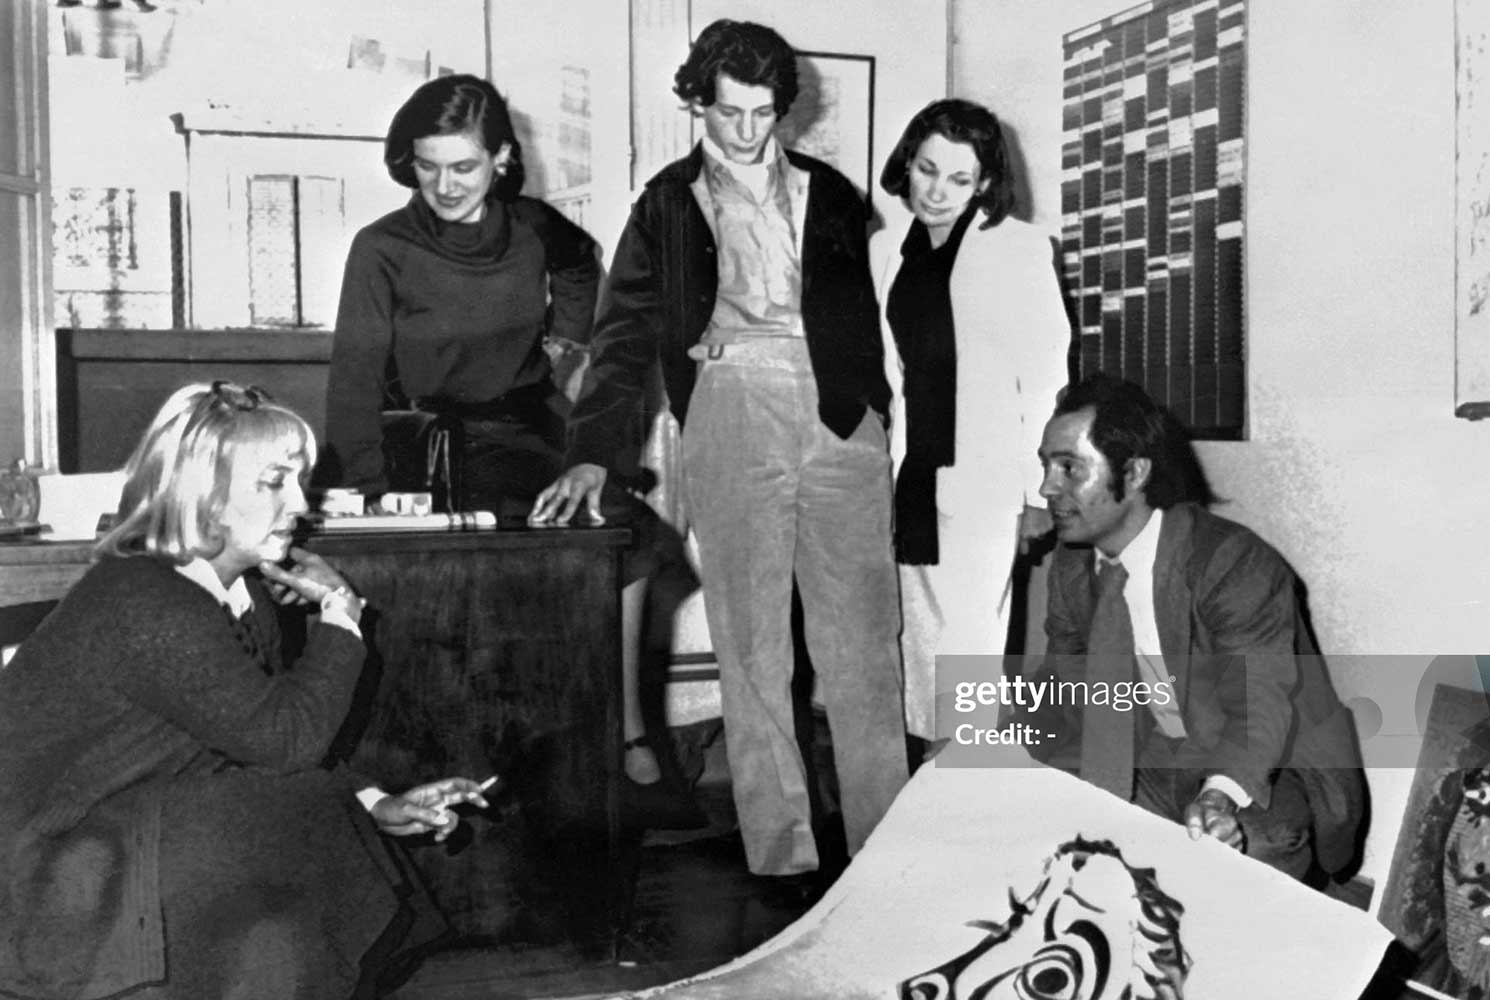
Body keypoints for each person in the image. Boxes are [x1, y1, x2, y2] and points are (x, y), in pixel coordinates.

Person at [529, 19, 909, 881]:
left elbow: (866, 318)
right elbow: (621, 336)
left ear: (784, 110)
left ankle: (889, 854)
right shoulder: (665, 202)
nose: (745, 132)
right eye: (728, 113)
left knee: (863, 643)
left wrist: (881, 415)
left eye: (763, 113)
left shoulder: (835, 193)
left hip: (842, 417)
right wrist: (594, 451)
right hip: (733, 404)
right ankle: (785, 859)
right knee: (752, 644)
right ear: (699, 102)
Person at [0, 381, 489, 999]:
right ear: (203, 497)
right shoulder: (145, 597)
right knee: (289, 827)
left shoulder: (234, 594)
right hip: (49, 873)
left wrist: (372, 801)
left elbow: (253, 745)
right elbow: (286, 745)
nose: (299, 504)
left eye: (299, 481)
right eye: (274, 481)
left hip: (131, 830)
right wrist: (341, 614)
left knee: (281, 930)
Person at [321, 74, 691, 799]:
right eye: (427, 165)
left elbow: (581, 263)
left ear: (501, 160)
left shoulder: (532, 225)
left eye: (463, 165)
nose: (444, 184)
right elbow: (354, 379)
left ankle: (625, 725)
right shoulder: (382, 248)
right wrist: (362, 496)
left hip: (526, 425)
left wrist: (566, 341)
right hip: (426, 441)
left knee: (634, 537)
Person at [1024, 373, 1366, 882]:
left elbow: (1260, 708)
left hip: (1275, 760)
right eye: (1047, 466)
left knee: (1247, 847)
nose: (1048, 488)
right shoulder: (1073, 566)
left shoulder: (1232, 563)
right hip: (1159, 750)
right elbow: (1064, 684)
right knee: (1046, 826)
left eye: (1070, 468)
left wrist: (1218, 797)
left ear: (1135, 472)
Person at [870, 98, 1070, 741]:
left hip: (988, 479)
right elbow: (888, 371)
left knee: (972, 650)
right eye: (927, 170)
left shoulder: (1019, 248)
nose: (937, 192)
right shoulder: (884, 251)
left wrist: (1038, 491)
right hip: (912, 473)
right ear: (908, 163)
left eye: (959, 179)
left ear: (985, 182)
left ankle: (966, 795)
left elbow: (1044, 378)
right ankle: (930, 790)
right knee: (921, 644)